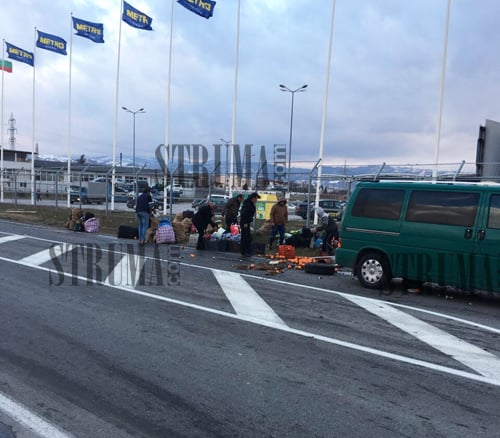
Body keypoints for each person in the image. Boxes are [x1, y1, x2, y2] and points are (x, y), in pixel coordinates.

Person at [239, 192, 260, 257]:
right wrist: (245, 222)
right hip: (244, 222)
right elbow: (244, 214)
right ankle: (244, 251)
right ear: (253, 198)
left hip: (247, 222)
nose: (256, 200)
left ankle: (247, 251)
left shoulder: (250, 204)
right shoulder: (247, 204)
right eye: (256, 199)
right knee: (245, 237)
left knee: (248, 237)